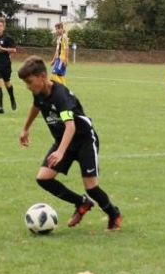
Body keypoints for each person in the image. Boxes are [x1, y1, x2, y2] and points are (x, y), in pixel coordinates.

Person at [17, 56, 122, 230]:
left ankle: (114, 214)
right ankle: (81, 203)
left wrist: (60, 152)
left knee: (91, 187)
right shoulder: (39, 92)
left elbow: (70, 126)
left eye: (29, 82)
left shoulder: (60, 96)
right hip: (63, 140)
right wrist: (25, 128)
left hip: (84, 140)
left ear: (42, 76)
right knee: (43, 179)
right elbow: (36, 105)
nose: (27, 86)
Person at [50, 21, 70, 86]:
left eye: (57, 29)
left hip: (62, 59)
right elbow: (57, 50)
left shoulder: (64, 37)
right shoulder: (59, 38)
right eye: (56, 29)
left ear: (61, 29)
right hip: (58, 59)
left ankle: (61, 89)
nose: (56, 31)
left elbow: (66, 48)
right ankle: (64, 89)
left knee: (53, 74)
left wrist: (66, 59)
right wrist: (53, 60)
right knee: (60, 76)